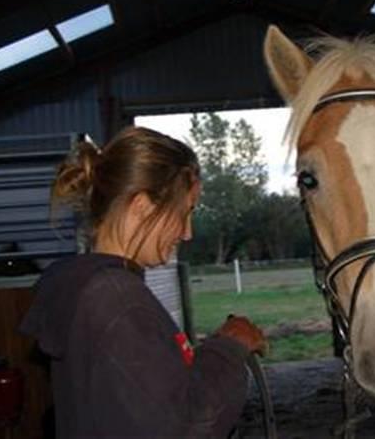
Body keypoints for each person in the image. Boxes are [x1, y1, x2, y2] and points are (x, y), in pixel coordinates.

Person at [20, 126, 266, 438]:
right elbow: (188, 426)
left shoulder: (89, 288)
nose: (187, 233)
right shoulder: (118, 302)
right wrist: (229, 348)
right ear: (141, 207)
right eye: (184, 213)